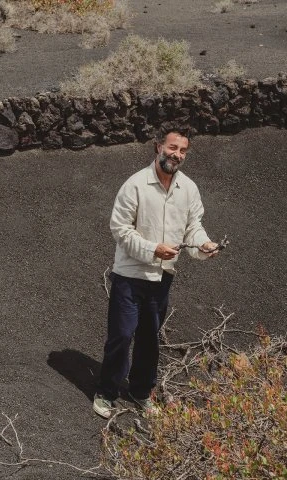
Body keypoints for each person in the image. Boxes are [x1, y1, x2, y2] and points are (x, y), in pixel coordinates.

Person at [93, 127, 220, 418]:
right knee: (122, 336)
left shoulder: (188, 189)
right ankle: (106, 392)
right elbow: (120, 230)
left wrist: (205, 244)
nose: (177, 155)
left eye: (183, 150)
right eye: (172, 147)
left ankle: (140, 392)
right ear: (157, 147)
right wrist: (153, 249)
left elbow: (193, 227)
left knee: (150, 339)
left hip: (162, 277)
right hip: (129, 275)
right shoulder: (135, 184)